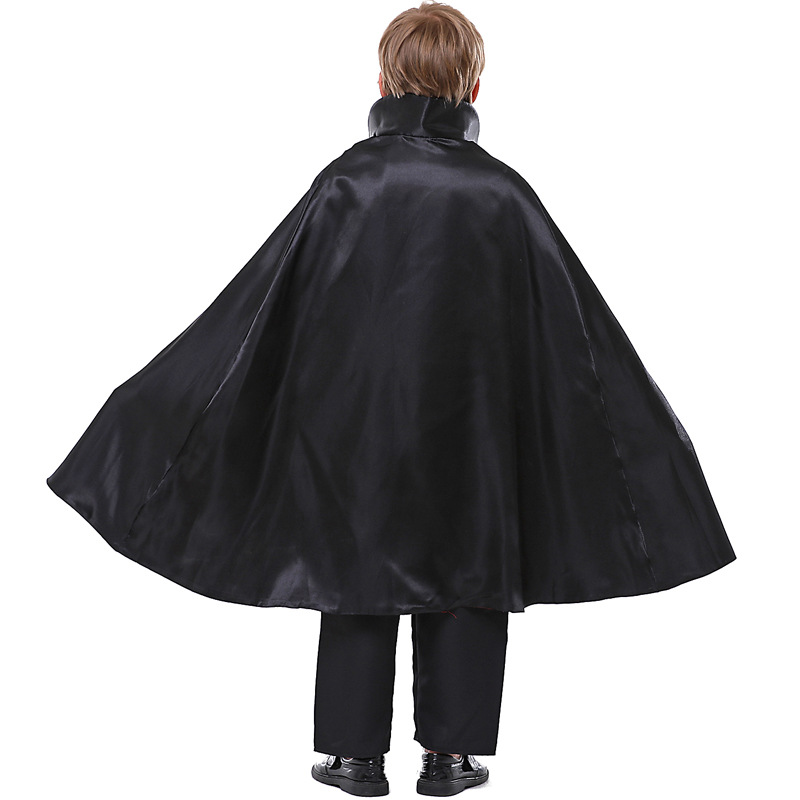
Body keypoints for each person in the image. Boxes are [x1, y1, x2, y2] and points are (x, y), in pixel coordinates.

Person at [46, 2, 736, 797]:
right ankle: (450, 757)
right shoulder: (503, 194)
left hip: (356, 436)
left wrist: (177, 402)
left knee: (354, 568)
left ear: (381, 81)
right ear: (476, 86)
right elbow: (574, 328)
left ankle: (353, 756)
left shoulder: (347, 182)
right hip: (474, 433)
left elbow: (264, 303)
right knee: (468, 567)